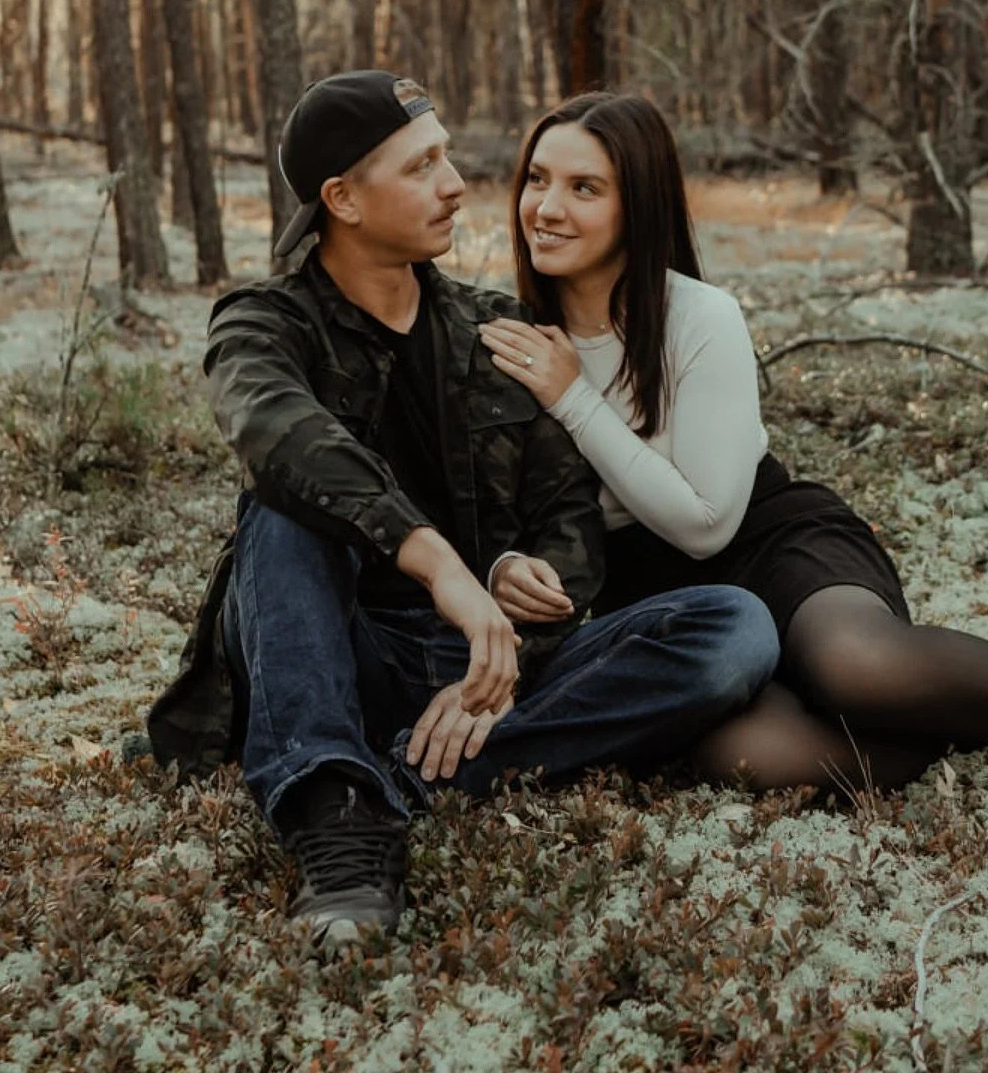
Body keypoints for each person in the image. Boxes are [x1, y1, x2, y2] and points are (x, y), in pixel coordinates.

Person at [148, 72, 779, 951]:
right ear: (344, 199)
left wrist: (526, 587)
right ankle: (335, 824)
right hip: (338, 646)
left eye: (448, 157)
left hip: (492, 659)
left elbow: (568, 514)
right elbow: (277, 434)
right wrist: (441, 564)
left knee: (734, 629)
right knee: (284, 511)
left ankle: (411, 778)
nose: (457, 185)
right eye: (422, 167)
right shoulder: (264, 325)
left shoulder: (495, 331)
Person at [479, 92, 988, 798]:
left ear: (637, 208)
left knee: (860, 668)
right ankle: (966, 713)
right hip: (658, 602)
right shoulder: (505, 337)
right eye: (537, 180)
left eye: (585, 188)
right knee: (748, 758)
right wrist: (506, 566)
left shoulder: (698, 318)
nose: (546, 208)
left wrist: (572, 396)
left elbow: (708, 520)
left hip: (769, 543)